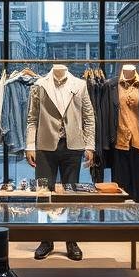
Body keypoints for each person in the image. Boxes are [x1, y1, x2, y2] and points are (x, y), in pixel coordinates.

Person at [25, 65, 95, 260]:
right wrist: (30, 145)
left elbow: (88, 117)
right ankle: (46, 239)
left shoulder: (79, 85)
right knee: (43, 193)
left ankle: (71, 239)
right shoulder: (39, 85)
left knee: (71, 193)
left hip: (73, 145)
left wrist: (90, 145)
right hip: (45, 146)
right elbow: (32, 118)